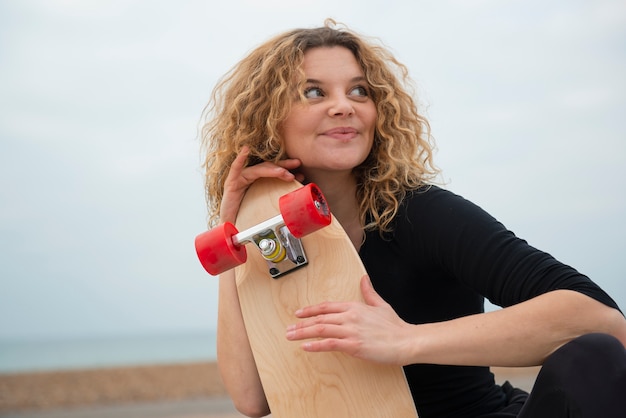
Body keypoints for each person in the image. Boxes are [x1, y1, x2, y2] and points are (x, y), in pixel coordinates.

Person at [199, 19, 626, 418]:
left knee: (593, 359)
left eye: (359, 91)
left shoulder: (418, 212)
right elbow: (253, 398)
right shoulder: (275, 238)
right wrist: (232, 230)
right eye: (314, 92)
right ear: (269, 119)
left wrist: (406, 340)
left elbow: (603, 322)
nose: (343, 106)